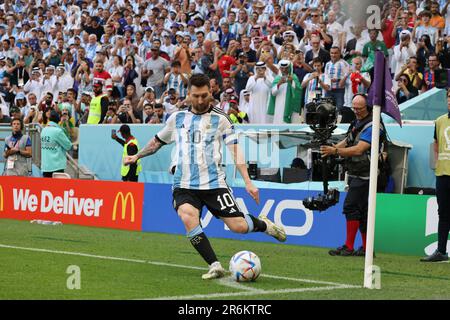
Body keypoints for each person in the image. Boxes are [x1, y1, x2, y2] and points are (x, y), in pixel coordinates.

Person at [124, 74, 286, 280]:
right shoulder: (177, 119)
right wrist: (137, 156)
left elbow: (236, 151)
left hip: (213, 183)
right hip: (183, 183)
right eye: (196, 96)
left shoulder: (222, 119)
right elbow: (157, 142)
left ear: (211, 92)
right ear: (188, 95)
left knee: (238, 226)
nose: (200, 101)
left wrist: (248, 181)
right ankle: (215, 265)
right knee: (187, 216)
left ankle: (264, 225)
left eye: (204, 96)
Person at [320, 94, 386, 257]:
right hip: (359, 172)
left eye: (359, 108)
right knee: (363, 212)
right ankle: (366, 248)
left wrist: (335, 150)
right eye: (354, 108)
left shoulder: (373, 126)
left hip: (367, 174)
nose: (356, 111)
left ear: (368, 107)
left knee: (351, 207)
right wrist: (333, 148)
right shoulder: (357, 122)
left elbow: (359, 149)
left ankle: (349, 246)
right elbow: (349, 140)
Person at [420, 90, 450, 262]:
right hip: (443, 175)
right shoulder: (439, 121)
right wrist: (440, 163)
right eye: (449, 97)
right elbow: (437, 145)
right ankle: (440, 251)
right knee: (443, 213)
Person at [267, 60, 302, 124]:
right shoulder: (277, 78)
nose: (284, 70)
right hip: (279, 105)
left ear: (289, 68)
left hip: (291, 105)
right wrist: (279, 84)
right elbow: (273, 93)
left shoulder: (294, 77)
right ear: (280, 68)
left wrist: (291, 82)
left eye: (286, 68)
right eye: (282, 68)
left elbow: (299, 90)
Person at [40, 110, 72, 178]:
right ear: (59, 119)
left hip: (45, 166)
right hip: (56, 166)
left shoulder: (44, 130)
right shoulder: (58, 131)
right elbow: (68, 146)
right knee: (57, 188)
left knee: (47, 187)